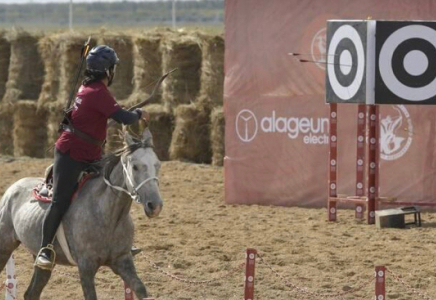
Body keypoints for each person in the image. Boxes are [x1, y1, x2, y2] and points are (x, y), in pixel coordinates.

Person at [35, 45, 146, 270]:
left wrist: (126, 113)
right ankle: (45, 249)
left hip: (92, 154)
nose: (113, 71)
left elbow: (111, 111)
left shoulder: (92, 89)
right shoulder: (96, 92)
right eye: (113, 67)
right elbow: (124, 118)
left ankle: (116, 243)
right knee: (60, 201)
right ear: (107, 70)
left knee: (108, 191)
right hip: (72, 154)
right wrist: (139, 114)